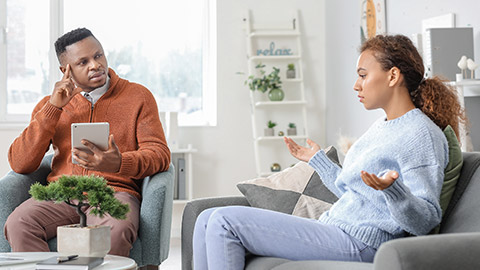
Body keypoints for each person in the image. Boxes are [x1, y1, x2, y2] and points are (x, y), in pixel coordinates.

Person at [192, 34, 466, 269]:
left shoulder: (421, 134)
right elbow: (355, 192)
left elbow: (426, 220)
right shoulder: (383, 126)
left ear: (393, 76)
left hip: (363, 243)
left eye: (363, 75)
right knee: (206, 218)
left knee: (224, 221)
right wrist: (318, 162)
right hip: (337, 228)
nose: (356, 85)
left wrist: (393, 191)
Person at [4, 28, 171, 257]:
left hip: (113, 193)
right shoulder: (50, 105)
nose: (95, 65)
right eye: (83, 62)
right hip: (61, 194)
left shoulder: (138, 97)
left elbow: (160, 154)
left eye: (98, 55)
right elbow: (19, 163)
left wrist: (119, 163)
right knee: (18, 224)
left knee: (115, 231)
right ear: (66, 70)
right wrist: (54, 108)